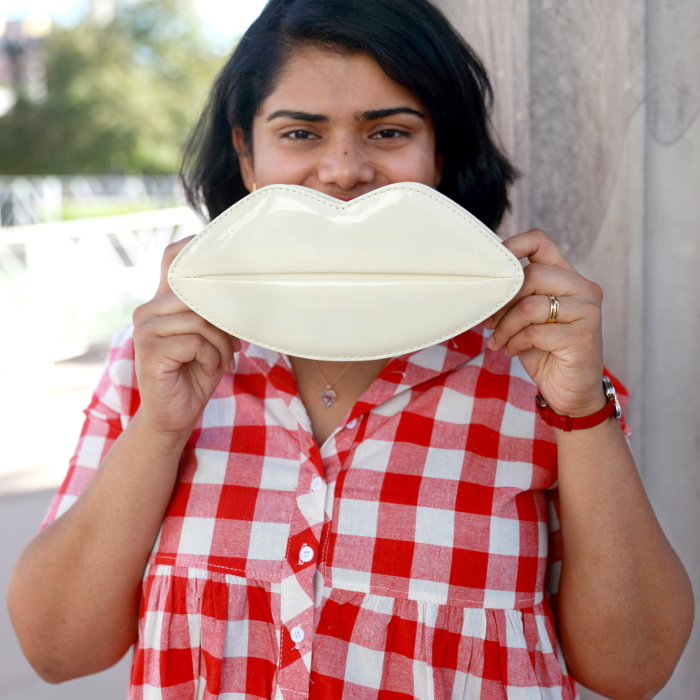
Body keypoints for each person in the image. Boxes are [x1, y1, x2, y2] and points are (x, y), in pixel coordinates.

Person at [8, 0, 693, 698]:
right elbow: (60, 650)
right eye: (300, 133)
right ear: (246, 154)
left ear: (440, 155)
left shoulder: (537, 368)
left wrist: (580, 411)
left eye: (389, 131)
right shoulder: (161, 360)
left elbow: (633, 670)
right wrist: (159, 427)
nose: (343, 171)